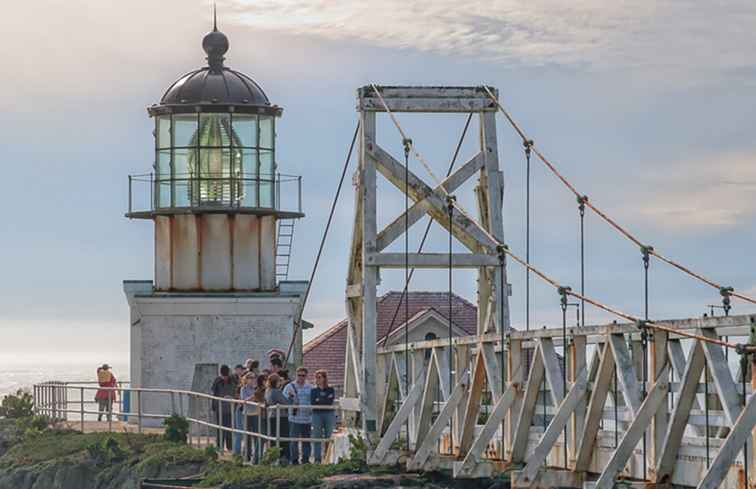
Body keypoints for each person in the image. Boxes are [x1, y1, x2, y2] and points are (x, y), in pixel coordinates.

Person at [283, 367, 313, 464]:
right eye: (299, 375)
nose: (301, 377)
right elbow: (283, 400)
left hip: (307, 418)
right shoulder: (289, 387)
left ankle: (305, 459)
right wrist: (291, 399)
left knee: (306, 441)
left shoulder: (310, 387)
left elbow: (313, 401)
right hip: (294, 418)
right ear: (296, 375)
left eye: (303, 375)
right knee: (293, 441)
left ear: (306, 376)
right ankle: (294, 460)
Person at [310, 369, 336, 464]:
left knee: (329, 436)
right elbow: (313, 402)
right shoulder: (313, 390)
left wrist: (319, 399)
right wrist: (323, 398)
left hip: (329, 413)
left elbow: (329, 402)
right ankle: (317, 459)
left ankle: (328, 458)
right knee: (317, 436)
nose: (317, 379)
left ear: (324, 378)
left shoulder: (330, 389)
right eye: (316, 377)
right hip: (317, 414)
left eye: (319, 377)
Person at [264, 373, 291, 463]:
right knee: (283, 438)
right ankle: (283, 458)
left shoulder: (267, 391)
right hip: (280, 417)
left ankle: (273, 457)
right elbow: (286, 403)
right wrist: (290, 397)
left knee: (273, 438)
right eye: (279, 381)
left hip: (271, 416)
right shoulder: (276, 391)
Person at [211, 365, 238, 451]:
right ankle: (223, 446)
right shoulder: (221, 381)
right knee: (224, 428)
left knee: (226, 428)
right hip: (224, 408)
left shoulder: (221, 380)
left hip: (226, 408)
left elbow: (214, 393)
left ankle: (225, 446)